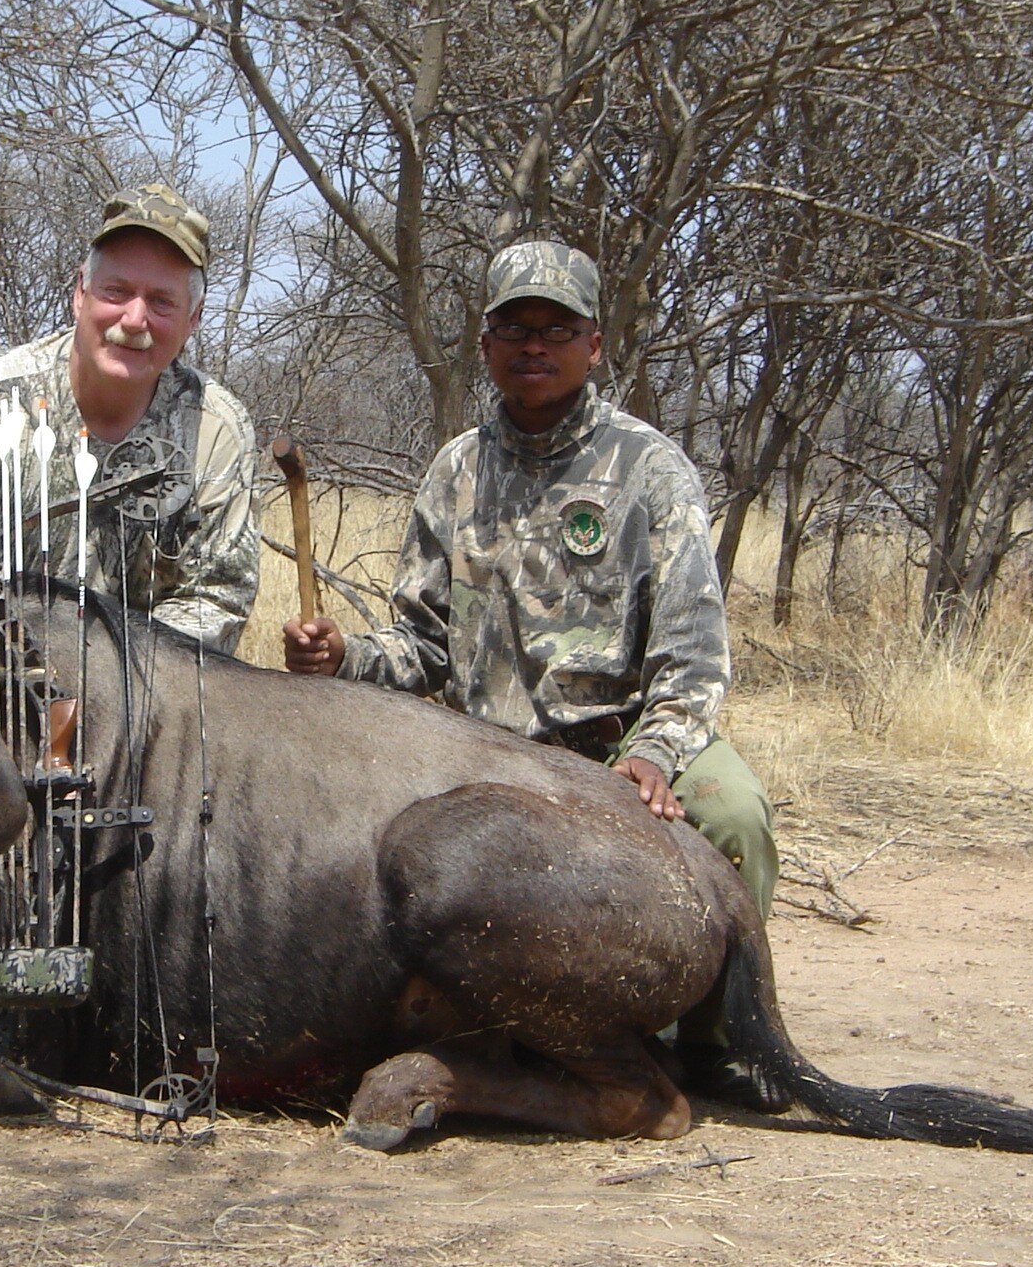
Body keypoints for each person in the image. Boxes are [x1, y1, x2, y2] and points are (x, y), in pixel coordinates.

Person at [282, 238, 786, 1112]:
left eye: (558, 328)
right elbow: (423, 646)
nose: (534, 345)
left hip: (623, 747)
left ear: (595, 344)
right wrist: (346, 658)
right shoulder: (457, 471)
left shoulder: (651, 470)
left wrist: (659, 755)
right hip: (488, 758)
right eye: (514, 327)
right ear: (486, 345)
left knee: (734, 817)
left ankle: (705, 1047)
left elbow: (694, 659)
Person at [0, 184, 259, 652]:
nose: (135, 319)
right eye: (116, 291)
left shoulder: (216, 428)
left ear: (194, 318)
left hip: (144, 697)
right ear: (80, 292)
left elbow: (216, 599)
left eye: (162, 302)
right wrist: (31, 657)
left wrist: (104, 674)